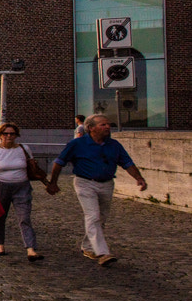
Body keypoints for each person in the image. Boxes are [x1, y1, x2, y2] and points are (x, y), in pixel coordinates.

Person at [47, 114, 148, 266]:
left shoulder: (114, 145)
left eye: (108, 124)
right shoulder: (77, 144)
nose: (107, 127)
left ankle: (88, 246)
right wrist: (53, 182)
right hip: (85, 182)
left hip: (107, 183)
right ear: (91, 128)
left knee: (101, 217)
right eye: (103, 125)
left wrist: (139, 178)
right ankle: (102, 252)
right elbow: (59, 163)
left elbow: (127, 162)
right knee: (93, 215)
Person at [0, 122, 42, 261]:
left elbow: (32, 166)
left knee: (24, 217)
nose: (9, 136)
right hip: (0, 186)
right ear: (0, 135)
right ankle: (0, 245)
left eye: (12, 133)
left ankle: (30, 249)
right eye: (5, 133)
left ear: (16, 135)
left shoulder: (23, 148)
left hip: (21, 186)